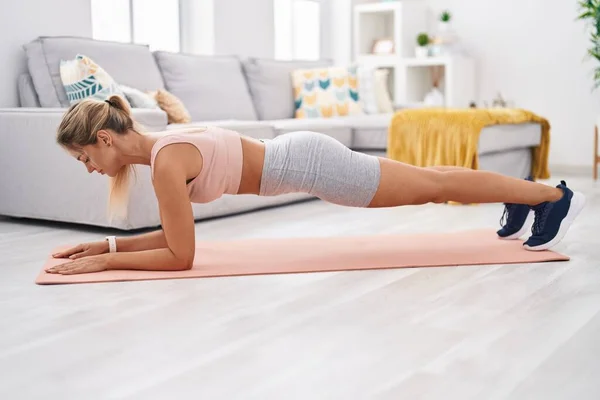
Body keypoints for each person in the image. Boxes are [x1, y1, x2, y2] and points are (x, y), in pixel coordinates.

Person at [46, 95, 585, 275]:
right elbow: (172, 239)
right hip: (305, 157)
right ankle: (523, 195)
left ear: (103, 138)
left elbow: (180, 254)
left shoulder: (165, 163)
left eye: (83, 156)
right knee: (432, 180)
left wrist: (105, 261)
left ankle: (552, 198)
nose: (89, 168)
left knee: (431, 182)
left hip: (313, 168)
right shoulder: (165, 141)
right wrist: (106, 244)